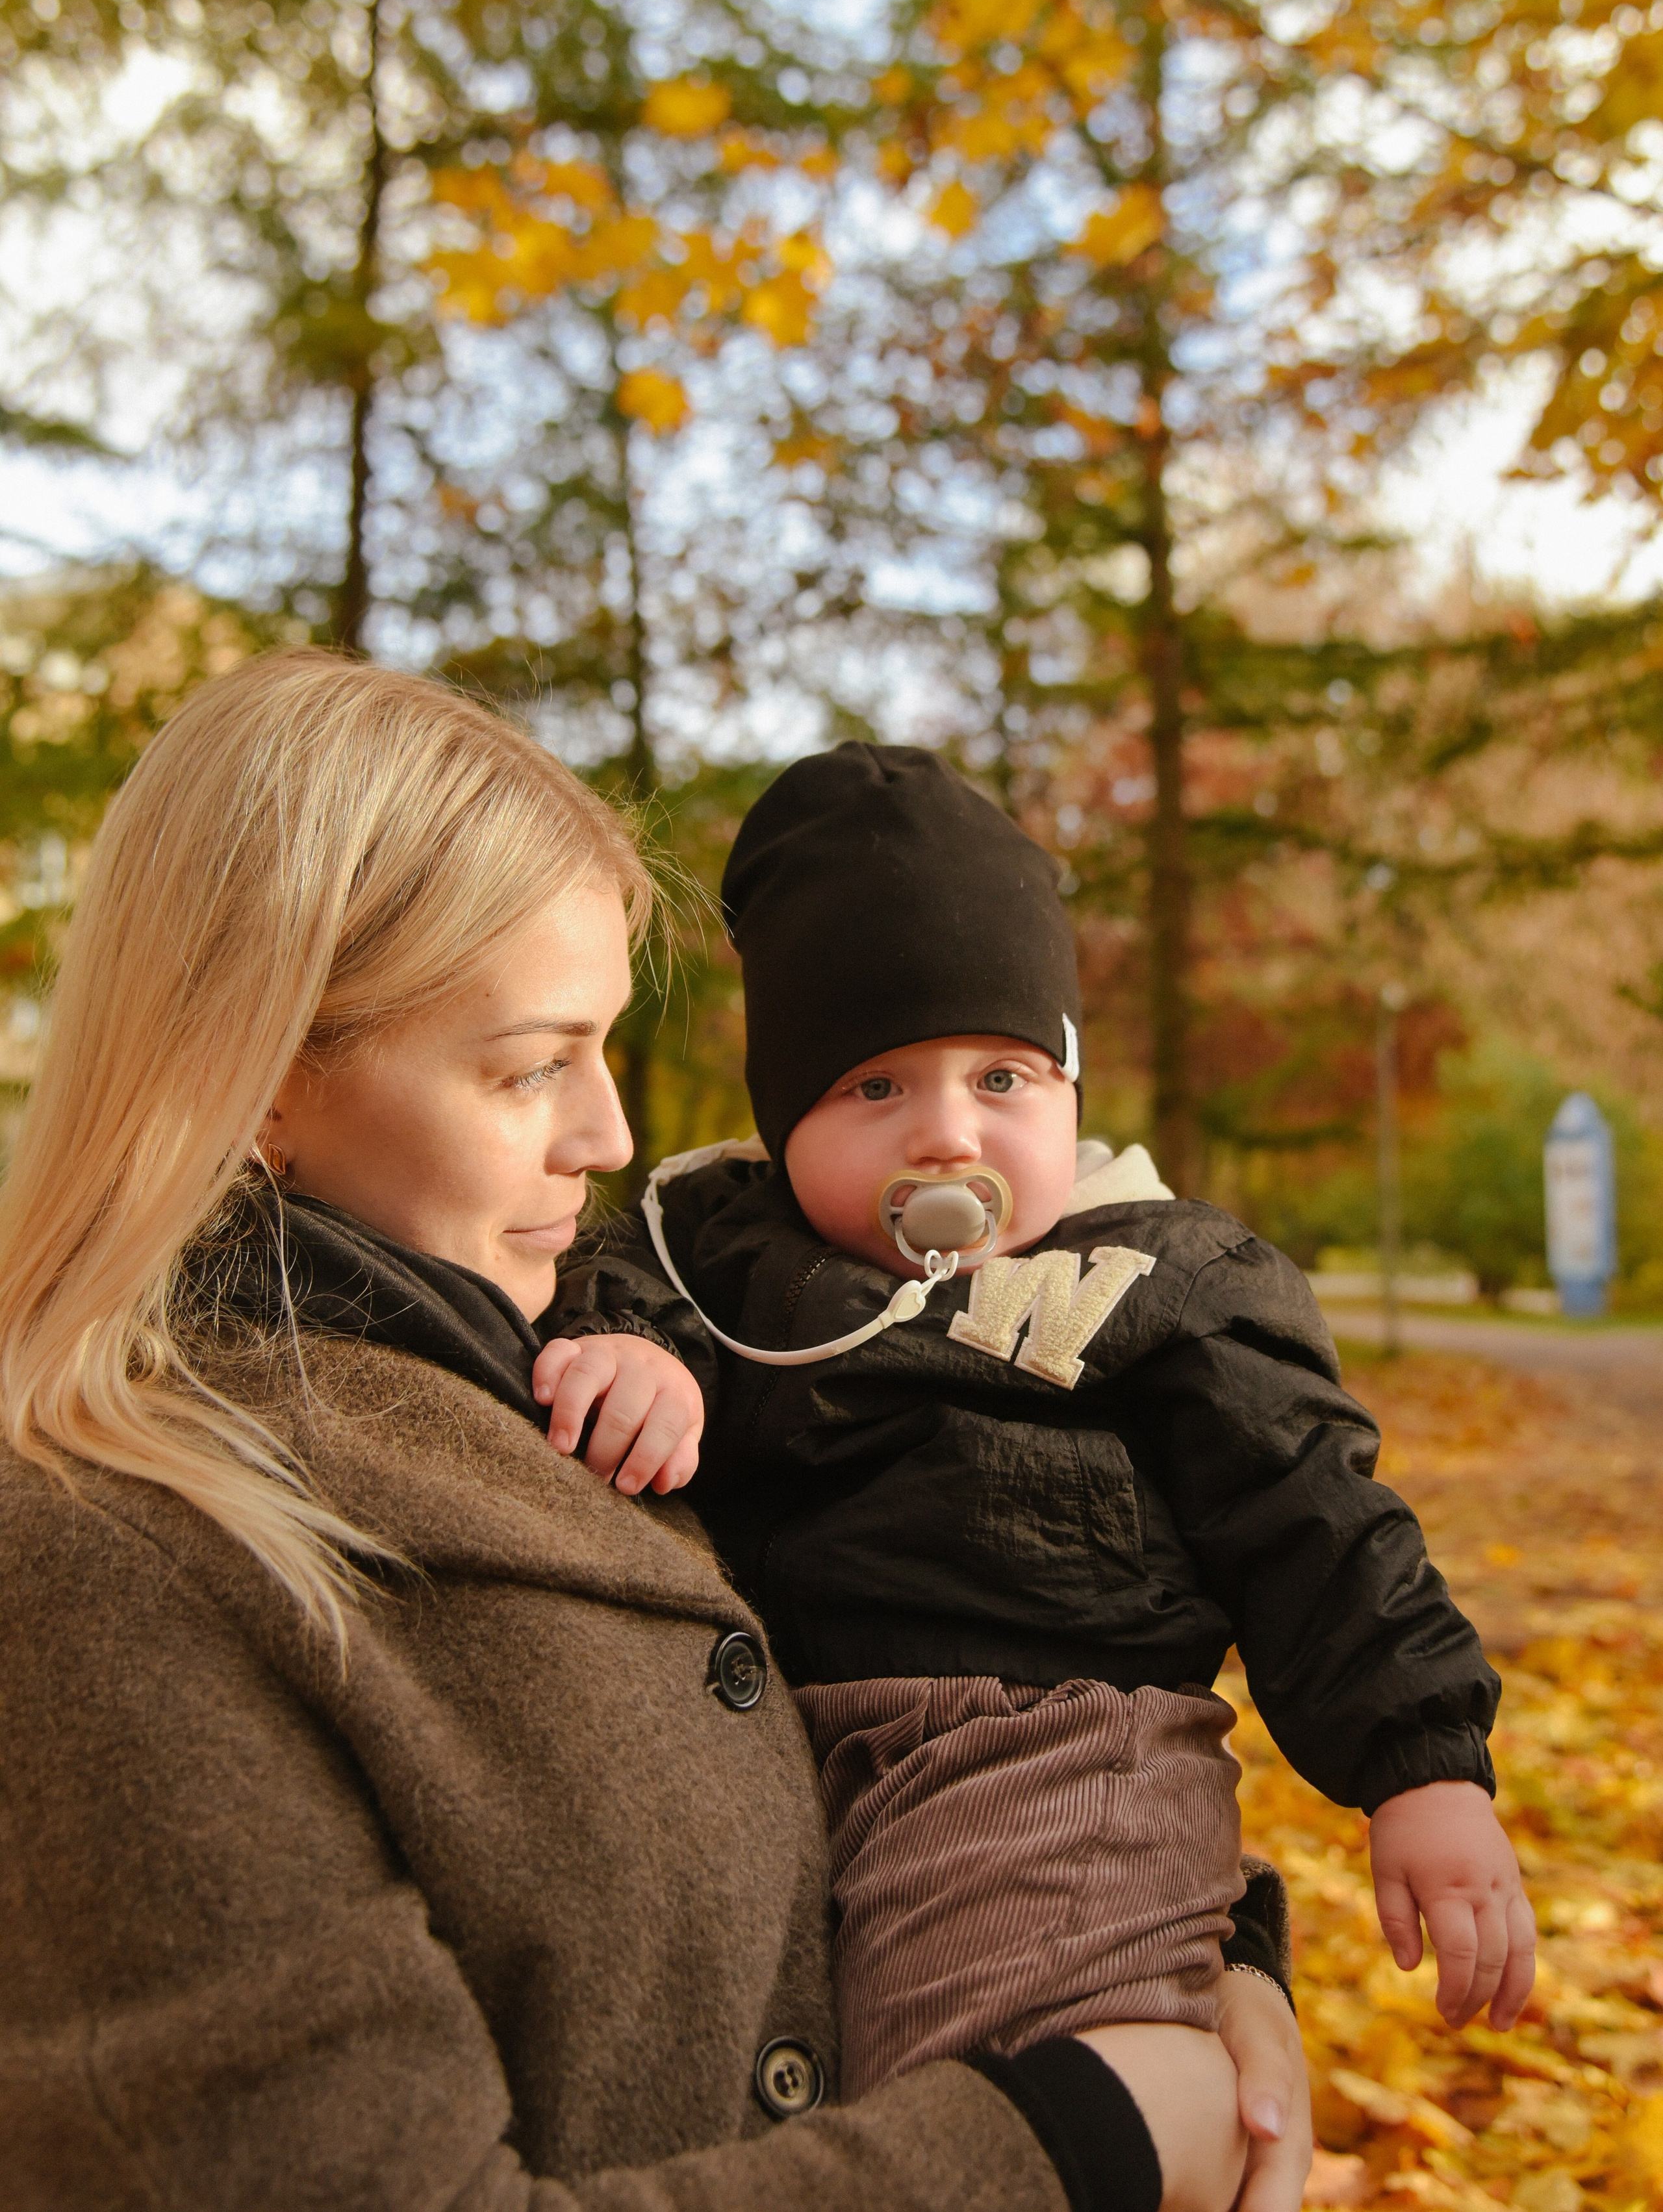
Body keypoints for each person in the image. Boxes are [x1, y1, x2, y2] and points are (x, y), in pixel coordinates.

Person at [0, 657, 1310, 2212]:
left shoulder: (575, 1357)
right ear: (266, 1073)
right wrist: (1063, 2135)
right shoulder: (110, 1552)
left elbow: (904, 1653)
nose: (610, 1135)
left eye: (604, 1048)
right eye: (530, 1063)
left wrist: (1190, 1954)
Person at [547, 743, 1537, 2201]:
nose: (947, 1129)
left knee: (993, 2083)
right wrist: (625, 1354)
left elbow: (1316, 1519)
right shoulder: (714, 1267)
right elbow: (589, 1287)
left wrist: (1420, 1763)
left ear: (1070, 1084)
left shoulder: (1165, 1277)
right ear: (780, 1119)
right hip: (787, 1761)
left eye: (1002, 1075)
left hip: (1052, 1753)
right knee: (823, 2103)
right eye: (874, 1084)